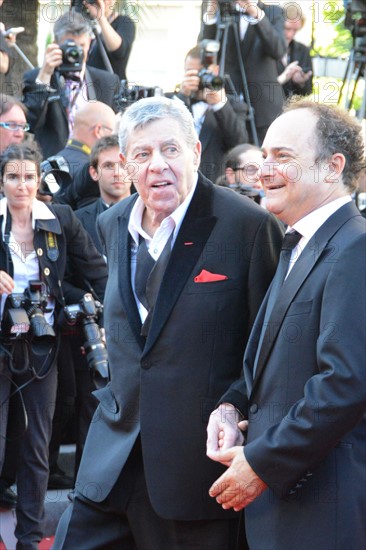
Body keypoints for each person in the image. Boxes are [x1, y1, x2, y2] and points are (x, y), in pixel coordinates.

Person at [53, 96, 283, 549]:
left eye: (171, 150)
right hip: (112, 457)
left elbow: (268, 347)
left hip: (195, 468)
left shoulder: (249, 226)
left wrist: (234, 407)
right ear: (125, 164)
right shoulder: (113, 222)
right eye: (143, 154)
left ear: (196, 151)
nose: (158, 165)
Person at [206, 99, 366, 549]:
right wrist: (232, 406)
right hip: (287, 508)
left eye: (283, 158)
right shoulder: (299, 244)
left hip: (322, 509)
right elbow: (272, 357)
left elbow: (345, 384)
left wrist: (260, 462)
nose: (264, 169)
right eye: (264, 156)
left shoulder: (354, 249)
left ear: (332, 167)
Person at [0, 141, 108, 549]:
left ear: (38, 179)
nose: (22, 185)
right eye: (13, 177)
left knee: (37, 446)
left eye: (29, 176)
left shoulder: (60, 218)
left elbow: (98, 273)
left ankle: (29, 539)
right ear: (2, 181)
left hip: (44, 344)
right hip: (0, 342)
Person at [22, 10, 120, 158]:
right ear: (55, 45)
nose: (76, 52)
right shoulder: (36, 78)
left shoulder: (107, 81)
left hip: (94, 163)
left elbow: (114, 130)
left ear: (90, 44)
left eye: (82, 46)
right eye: (70, 46)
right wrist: (45, 75)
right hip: (53, 166)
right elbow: (30, 124)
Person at [200, 0, 286, 144]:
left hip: (263, 106)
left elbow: (277, 50)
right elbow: (205, 49)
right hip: (229, 102)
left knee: (261, 158)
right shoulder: (220, 10)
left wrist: (254, 12)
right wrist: (212, 10)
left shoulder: (273, 12)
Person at [172, 44, 248, 182]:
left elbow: (239, 145)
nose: (199, 78)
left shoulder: (234, 105)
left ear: (216, 71)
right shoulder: (173, 101)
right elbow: (165, 129)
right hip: (178, 181)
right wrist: (182, 96)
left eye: (202, 72)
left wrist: (219, 105)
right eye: (191, 72)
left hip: (215, 183)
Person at [75, 134, 132, 253]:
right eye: (108, 166)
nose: (117, 173)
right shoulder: (77, 221)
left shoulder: (153, 215)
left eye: (123, 165)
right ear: (94, 173)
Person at [47, 100, 116, 195]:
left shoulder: (49, 164)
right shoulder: (92, 172)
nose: (113, 138)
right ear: (98, 130)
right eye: (112, 132)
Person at [84, 0, 136, 81]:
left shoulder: (124, 22)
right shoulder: (84, 24)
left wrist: (100, 17)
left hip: (112, 88)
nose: (102, 2)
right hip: (90, 88)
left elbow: (119, 51)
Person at [277, 5, 313, 98]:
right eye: (287, 29)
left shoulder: (303, 51)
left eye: (295, 30)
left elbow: (308, 91)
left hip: (291, 108)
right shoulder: (264, 48)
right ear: (278, 24)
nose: (290, 35)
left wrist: (301, 83)